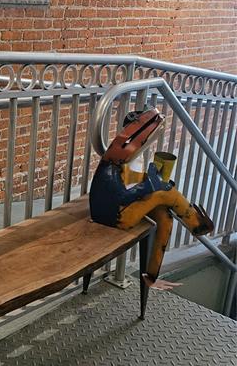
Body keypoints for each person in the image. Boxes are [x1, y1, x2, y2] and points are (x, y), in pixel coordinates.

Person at [89, 109, 214, 291]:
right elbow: (123, 196)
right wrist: (149, 186)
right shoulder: (109, 171)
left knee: (165, 216)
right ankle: (195, 222)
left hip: (119, 211)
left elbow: (132, 179)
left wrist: (151, 179)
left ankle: (151, 276)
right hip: (115, 218)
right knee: (165, 193)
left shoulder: (117, 167)